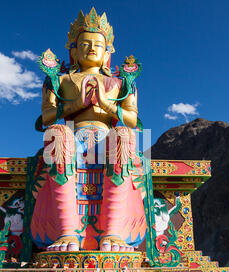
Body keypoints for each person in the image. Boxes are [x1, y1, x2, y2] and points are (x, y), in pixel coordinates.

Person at [30, 8, 147, 253]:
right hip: (73, 135)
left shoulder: (120, 84)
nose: (92, 48)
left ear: (107, 53)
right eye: (84, 43)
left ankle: (113, 233)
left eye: (98, 44)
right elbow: (45, 118)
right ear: (73, 50)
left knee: (125, 135)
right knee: (57, 135)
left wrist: (106, 104)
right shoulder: (59, 81)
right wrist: (75, 105)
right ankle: (66, 233)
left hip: (108, 137)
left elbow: (133, 120)